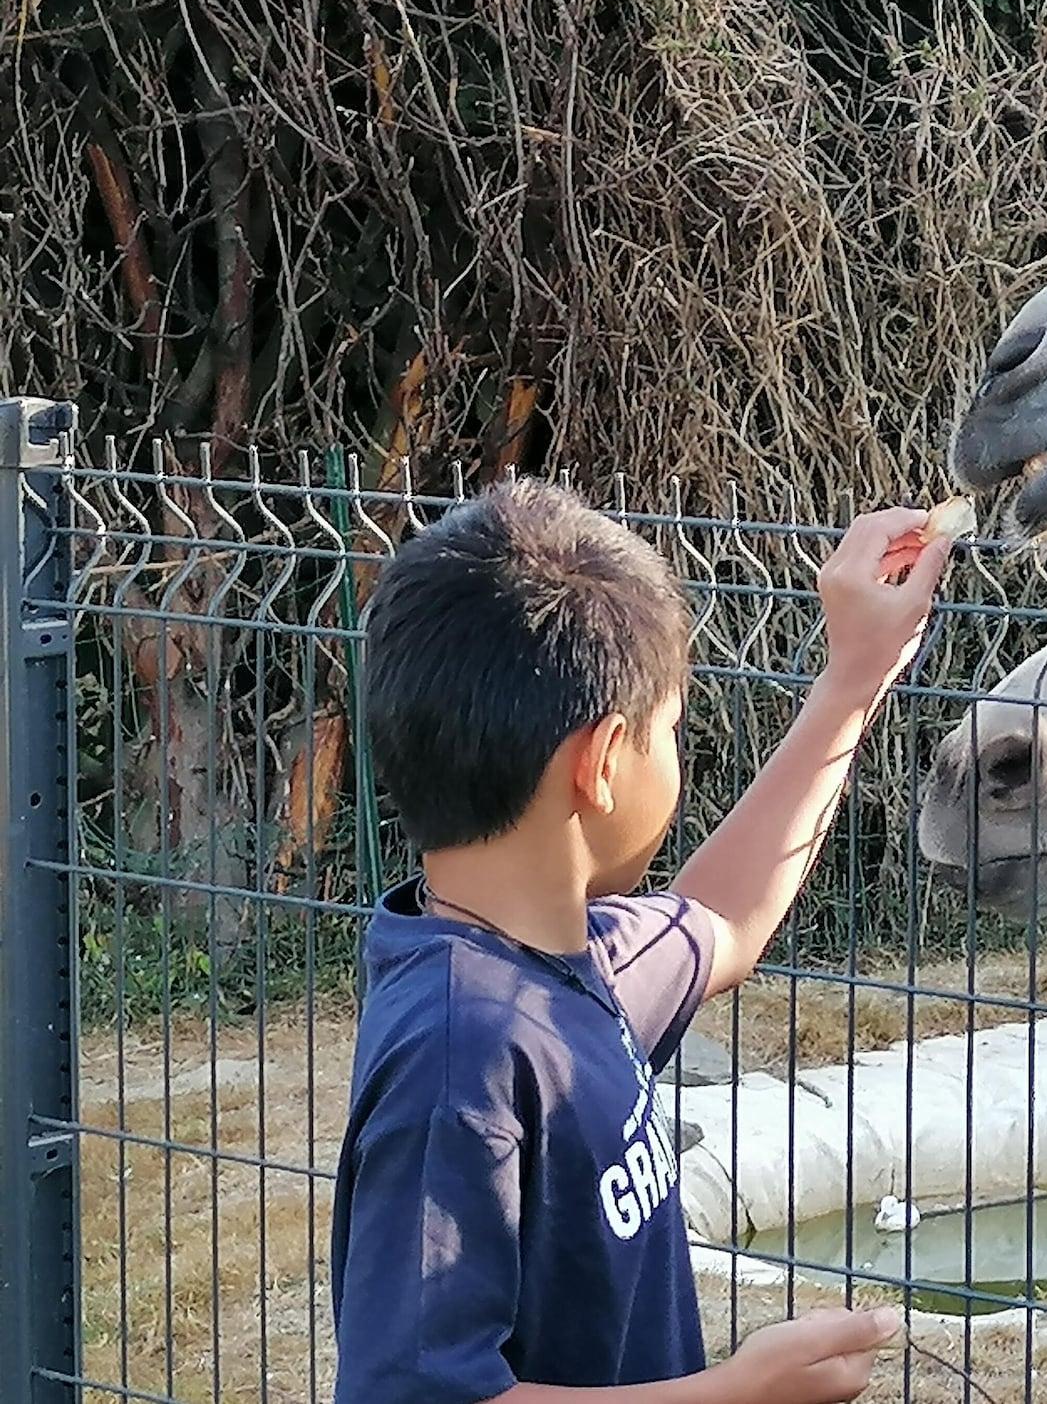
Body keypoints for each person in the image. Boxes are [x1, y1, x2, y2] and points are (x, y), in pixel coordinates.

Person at [330, 478, 953, 1404]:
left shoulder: (576, 961)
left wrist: (855, 679)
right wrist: (733, 1395)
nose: (677, 751)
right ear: (601, 761)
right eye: (670, 729)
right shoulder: (461, 1056)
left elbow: (727, 919)